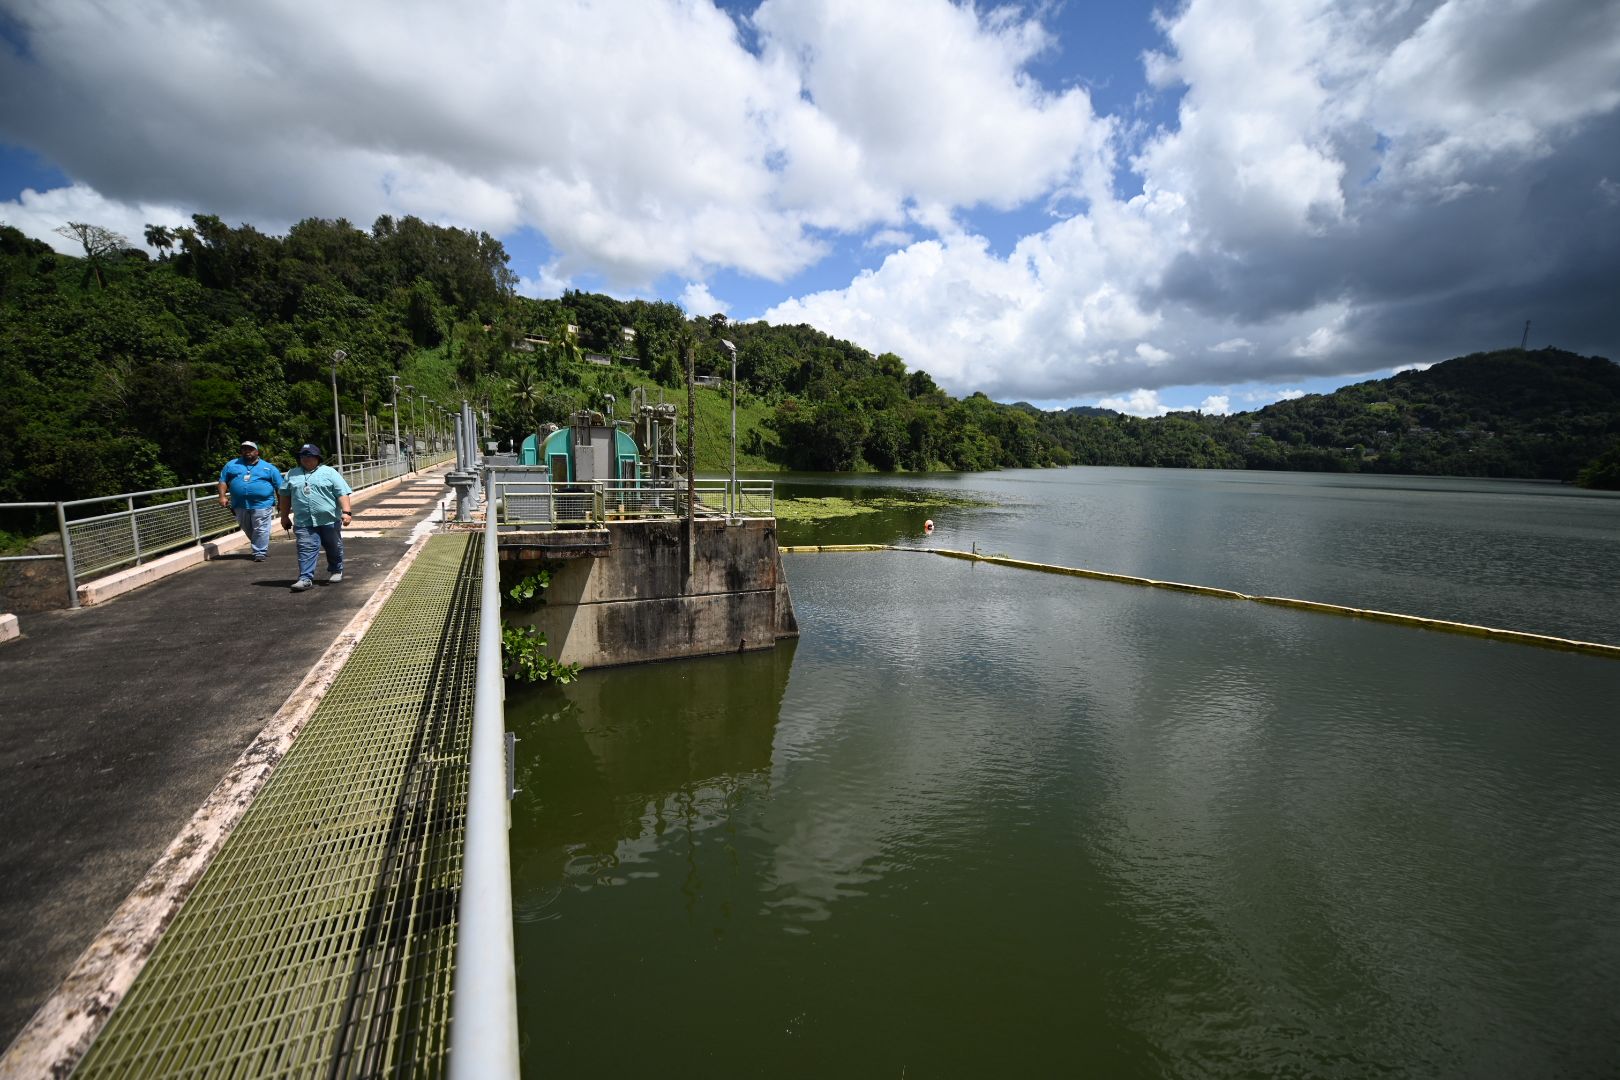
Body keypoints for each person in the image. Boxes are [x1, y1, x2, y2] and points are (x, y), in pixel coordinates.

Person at [278, 443, 353, 592]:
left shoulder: (330, 472)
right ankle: (305, 578)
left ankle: (336, 569)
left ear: (317, 457)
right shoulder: (292, 474)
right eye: (303, 456)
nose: (306, 458)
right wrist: (284, 516)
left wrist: (346, 512)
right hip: (303, 521)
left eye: (309, 455)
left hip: (329, 519)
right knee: (306, 548)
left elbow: (342, 493)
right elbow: (285, 497)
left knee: (333, 546)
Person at [217, 440, 284, 562]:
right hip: (239, 504)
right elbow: (223, 481)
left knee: (261, 528)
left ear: (257, 452)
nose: (247, 451)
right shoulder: (231, 465)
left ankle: (260, 552)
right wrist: (222, 496)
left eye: (250, 449)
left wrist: (281, 503)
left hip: (263, 504)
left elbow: (279, 486)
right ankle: (259, 546)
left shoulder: (269, 468)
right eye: (244, 449)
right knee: (247, 528)